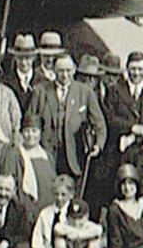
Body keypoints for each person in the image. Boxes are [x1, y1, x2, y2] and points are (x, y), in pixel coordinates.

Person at [26, 54, 107, 189]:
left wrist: (98, 145)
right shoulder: (41, 91)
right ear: (54, 70)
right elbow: (30, 121)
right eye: (61, 71)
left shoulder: (85, 92)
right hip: (47, 153)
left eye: (68, 71)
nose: (65, 75)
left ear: (74, 69)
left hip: (74, 156)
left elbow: (99, 124)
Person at [0, 114, 58, 210]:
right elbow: (7, 184)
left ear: (40, 133)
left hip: (47, 207)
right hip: (24, 208)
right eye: (27, 131)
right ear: (21, 133)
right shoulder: (14, 154)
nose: (30, 135)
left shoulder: (47, 155)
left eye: (34, 131)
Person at [5, 34, 45, 115]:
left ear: (34, 58)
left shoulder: (43, 82)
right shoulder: (6, 82)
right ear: (15, 57)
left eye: (27, 58)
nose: (23, 62)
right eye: (20, 58)